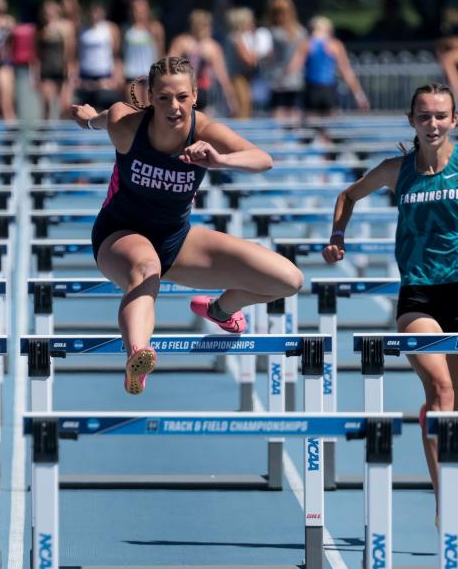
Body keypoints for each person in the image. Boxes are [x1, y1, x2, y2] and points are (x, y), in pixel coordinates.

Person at [322, 83, 458, 515]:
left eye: (441, 115)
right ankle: (446, 501)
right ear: (412, 122)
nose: (433, 123)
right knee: (440, 391)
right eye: (425, 116)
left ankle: (441, 453)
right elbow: (348, 195)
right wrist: (336, 236)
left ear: (454, 120)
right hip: (418, 295)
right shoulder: (395, 170)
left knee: (453, 410)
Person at [71, 56, 304, 394]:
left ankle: (221, 309)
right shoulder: (129, 127)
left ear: (195, 94)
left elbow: (263, 159)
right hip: (119, 235)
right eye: (164, 98)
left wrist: (220, 159)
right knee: (147, 267)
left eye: (182, 97)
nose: (174, 107)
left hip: (176, 240)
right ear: (150, 98)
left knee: (289, 280)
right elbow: (108, 116)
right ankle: (138, 354)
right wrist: (89, 120)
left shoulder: (205, 129)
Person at [286, 15, 369, 116]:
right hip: (328, 89)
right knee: (329, 125)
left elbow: (293, 67)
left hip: (312, 89)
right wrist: (359, 95)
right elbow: (346, 71)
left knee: (311, 125)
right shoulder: (335, 45)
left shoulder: (306, 44)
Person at [168, 10, 237, 117]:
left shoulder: (181, 42)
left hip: (186, 89)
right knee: (202, 123)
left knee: (185, 121)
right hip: (201, 90)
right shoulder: (212, 47)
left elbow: (168, 67)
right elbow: (222, 77)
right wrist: (231, 100)